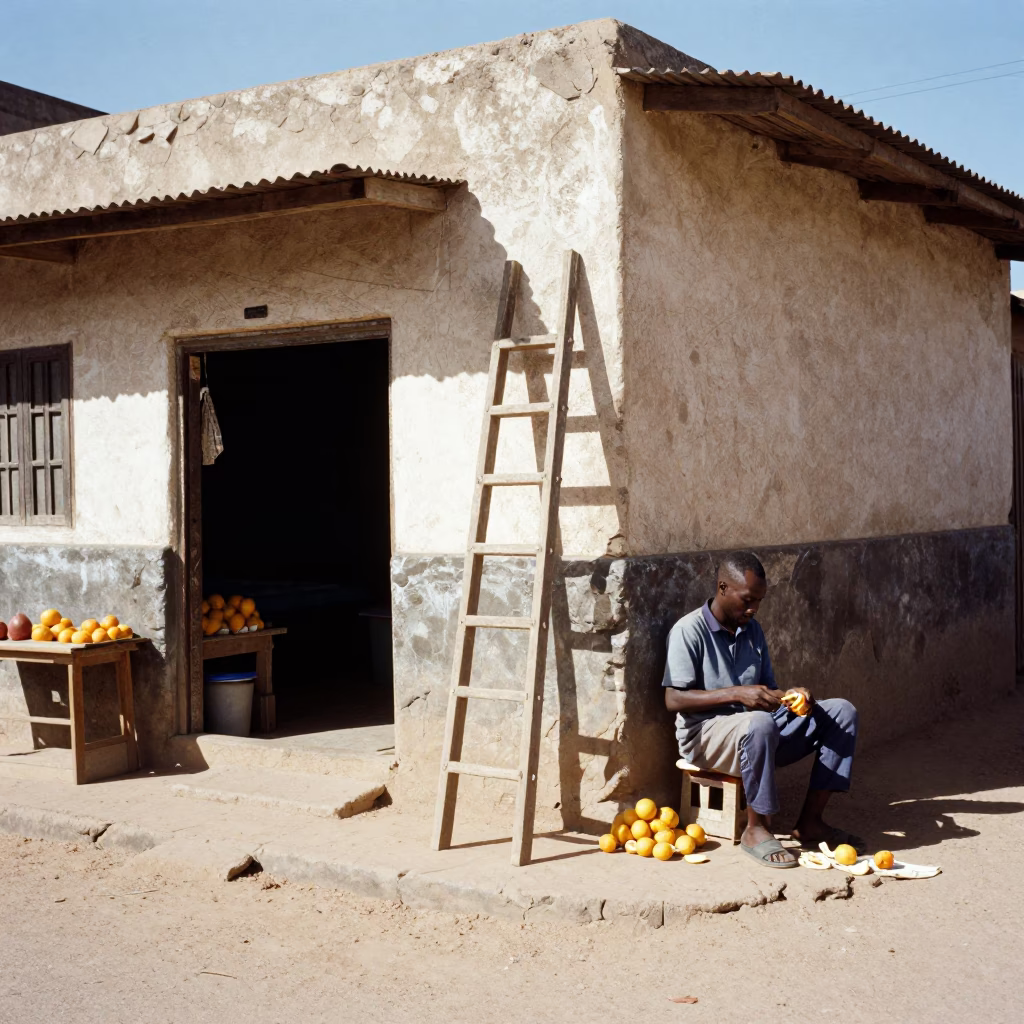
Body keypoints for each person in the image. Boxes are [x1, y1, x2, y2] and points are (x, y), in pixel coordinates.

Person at [662, 551, 860, 868]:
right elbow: (674, 699)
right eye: (747, 600)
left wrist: (795, 696)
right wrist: (738, 693)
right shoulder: (689, 631)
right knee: (758, 722)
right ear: (723, 587)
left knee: (840, 712)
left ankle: (810, 821)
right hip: (705, 737)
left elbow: (767, 692)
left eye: (759, 601)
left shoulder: (751, 630)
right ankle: (756, 829)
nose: (753, 608)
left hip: (757, 730)